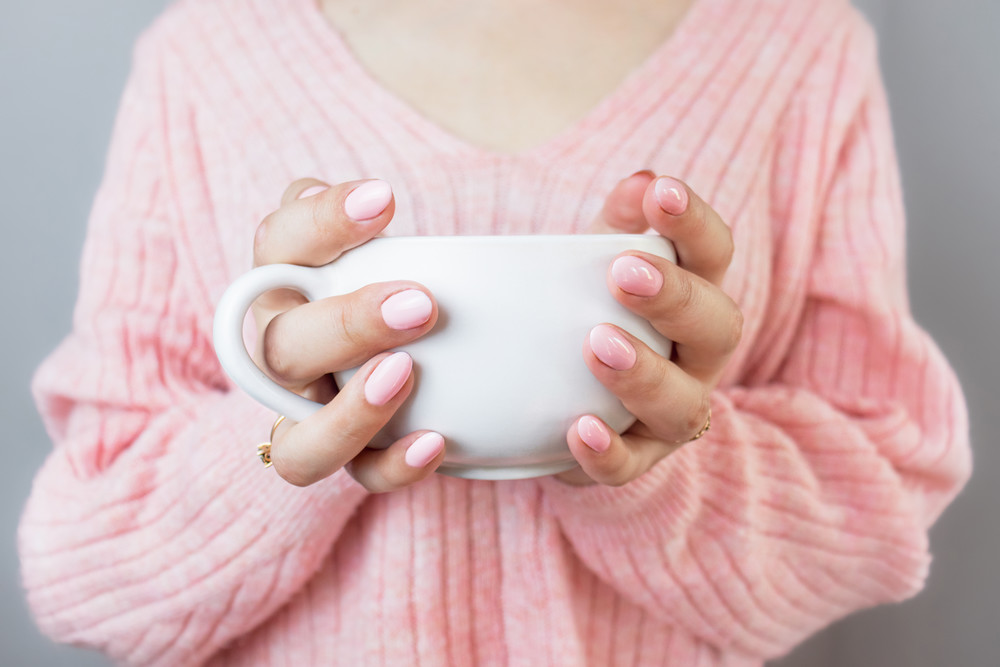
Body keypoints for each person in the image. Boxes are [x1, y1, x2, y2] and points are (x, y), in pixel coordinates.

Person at [18, 0, 971, 665]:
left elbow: (877, 510)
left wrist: (661, 459)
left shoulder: (799, 47)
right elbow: (81, 570)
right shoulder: (205, 57)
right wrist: (286, 438)